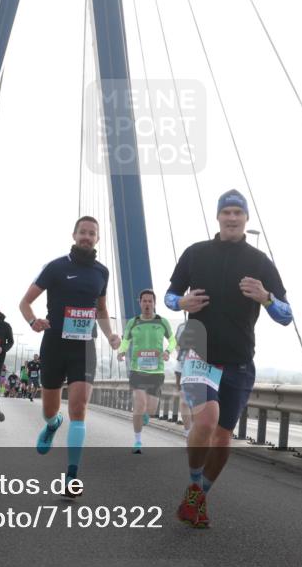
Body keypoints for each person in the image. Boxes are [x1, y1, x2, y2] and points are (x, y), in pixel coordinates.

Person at [164, 190, 292, 528]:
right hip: (199, 356)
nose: (232, 218)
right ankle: (194, 488)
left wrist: (266, 298)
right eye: (227, 212)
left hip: (239, 362)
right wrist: (181, 304)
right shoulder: (196, 253)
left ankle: (196, 497)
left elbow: (286, 315)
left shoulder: (260, 262)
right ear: (218, 217)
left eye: (238, 213)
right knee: (205, 421)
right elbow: (169, 295)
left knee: (222, 438)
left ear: (246, 219)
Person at [19, 215, 121, 497]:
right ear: (74, 235)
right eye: (83, 232)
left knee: (79, 410)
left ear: (97, 239)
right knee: (50, 409)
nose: (87, 237)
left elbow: (101, 310)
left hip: (84, 347)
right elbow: (25, 302)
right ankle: (52, 424)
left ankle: (72, 478)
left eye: (92, 233)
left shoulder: (102, 272)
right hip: (54, 344)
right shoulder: (56, 267)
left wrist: (111, 334)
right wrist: (33, 322)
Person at [117, 290, 176, 453]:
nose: (147, 304)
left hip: (156, 372)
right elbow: (126, 341)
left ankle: (146, 415)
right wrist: (122, 351)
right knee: (139, 403)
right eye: (144, 301)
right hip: (137, 370)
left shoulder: (162, 322)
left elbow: (172, 340)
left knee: (150, 409)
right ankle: (137, 441)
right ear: (140, 303)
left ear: (154, 303)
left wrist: (168, 351)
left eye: (150, 301)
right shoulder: (133, 322)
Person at [173, 321, 194, 438]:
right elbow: (177, 345)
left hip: (201, 366)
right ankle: (188, 431)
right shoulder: (181, 326)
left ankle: (197, 430)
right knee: (184, 399)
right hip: (182, 366)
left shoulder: (209, 322)